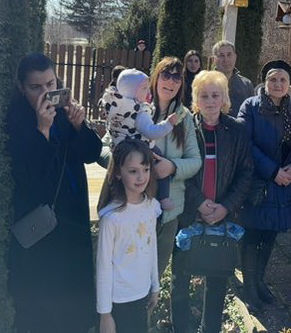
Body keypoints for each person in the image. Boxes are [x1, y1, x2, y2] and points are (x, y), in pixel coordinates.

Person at [6, 53, 101, 332]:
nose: (45, 93)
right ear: (22, 87)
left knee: (75, 301)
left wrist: (79, 126)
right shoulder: (16, 120)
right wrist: (43, 131)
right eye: (36, 87)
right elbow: (32, 181)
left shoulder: (62, 112)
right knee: (46, 306)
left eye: (51, 84)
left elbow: (91, 153)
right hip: (44, 227)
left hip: (74, 217)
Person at [178, 70, 256, 333]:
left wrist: (226, 207)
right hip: (189, 214)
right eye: (204, 96)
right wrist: (199, 202)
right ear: (195, 100)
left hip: (222, 217)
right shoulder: (185, 128)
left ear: (224, 98)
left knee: (217, 282)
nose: (210, 101)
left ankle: (209, 328)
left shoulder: (237, 130)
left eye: (215, 95)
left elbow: (246, 172)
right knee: (181, 279)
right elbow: (179, 171)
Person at [237, 60, 291, 308]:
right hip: (259, 184)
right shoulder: (251, 106)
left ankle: (259, 280)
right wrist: (272, 171)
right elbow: (245, 144)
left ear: (289, 84)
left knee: (270, 236)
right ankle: (249, 286)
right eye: (273, 79)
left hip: (284, 185)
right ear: (264, 82)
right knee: (252, 234)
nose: (278, 84)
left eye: (283, 80)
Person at [143, 57, 203, 285]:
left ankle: (148, 309)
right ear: (156, 77)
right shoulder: (137, 108)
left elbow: (195, 161)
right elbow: (107, 147)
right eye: (166, 75)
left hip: (169, 213)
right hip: (135, 208)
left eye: (177, 77)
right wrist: (131, 168)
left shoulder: (184, 117)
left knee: (154, 280)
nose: (170, 81)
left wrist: (172, 167)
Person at [96, 139, 162, 333]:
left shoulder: (152, 207)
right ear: (118, 172)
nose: (141, 177)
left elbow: (151, 248)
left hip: (143, 293)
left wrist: (155, 286)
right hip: (119, 300)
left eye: (146, 169)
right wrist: (105, 314)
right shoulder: (112, 218)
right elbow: (103, 267)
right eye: (133, 171)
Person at [99, 68, 179, 213]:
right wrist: (168, 124)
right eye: (144, 89)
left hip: (120, 148)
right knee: (160, 159)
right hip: (140, 146)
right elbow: (151, 132)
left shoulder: (115, 107)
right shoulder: (139, 111)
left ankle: (115, 199)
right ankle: (164, 197)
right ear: (132, 92)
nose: (148, 91)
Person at [212, 40, 254, 116]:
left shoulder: (246, 85)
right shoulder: (205, 83)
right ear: (214, 60)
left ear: (235, 57)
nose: (226, 59)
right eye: (221, 55)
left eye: (229, 55)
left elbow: (252, 113)